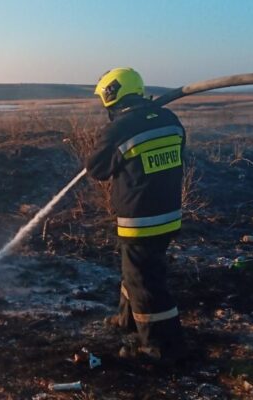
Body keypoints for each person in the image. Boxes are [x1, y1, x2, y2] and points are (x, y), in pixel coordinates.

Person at [85, 67, 187, 364]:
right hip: (169, 214)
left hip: (140, 219)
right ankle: (126, 319)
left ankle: (161, 346)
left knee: (145, 282)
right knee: (136, 270)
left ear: (111, 95)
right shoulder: (169, 120)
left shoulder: (119, 129)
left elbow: (97, 170)